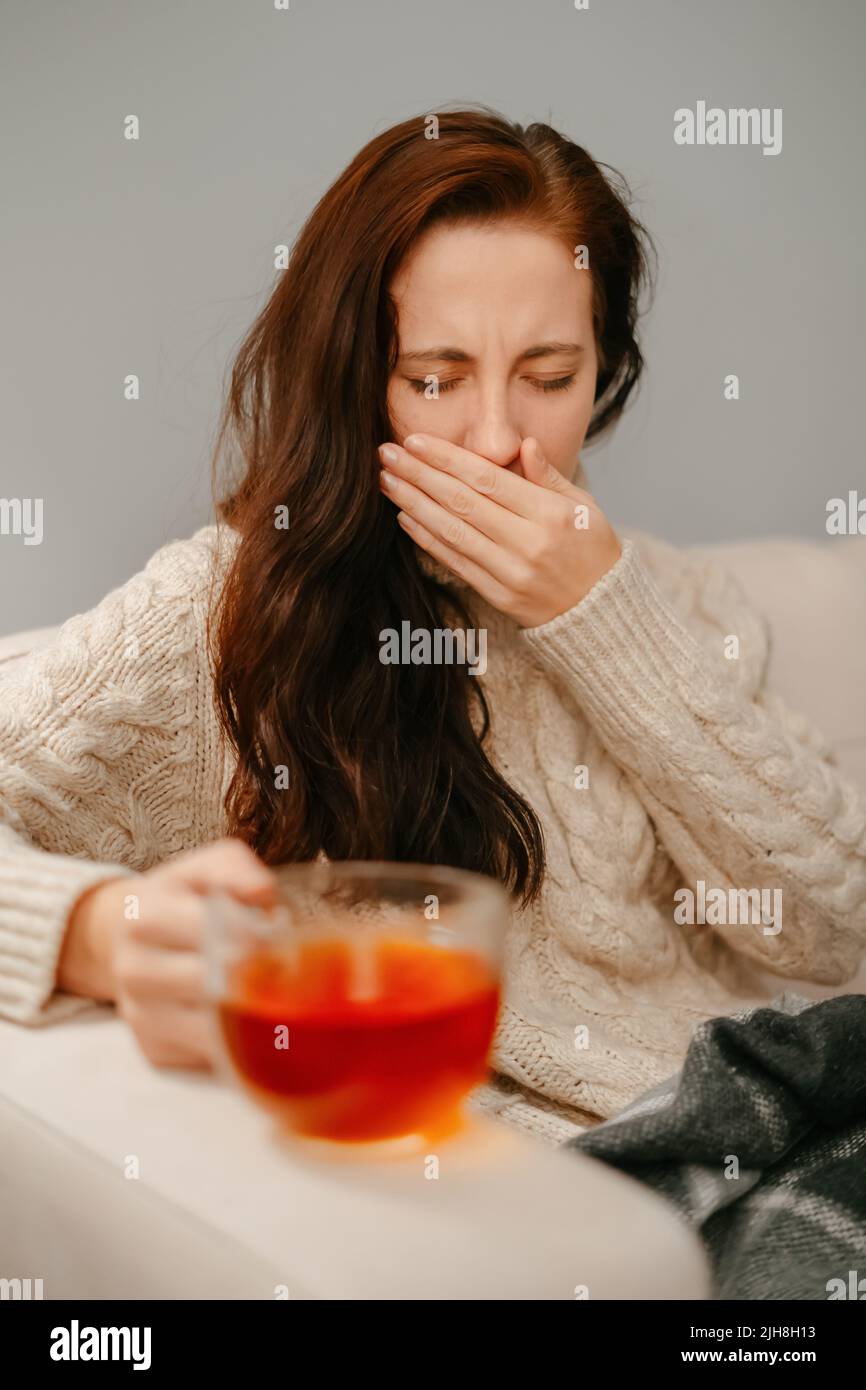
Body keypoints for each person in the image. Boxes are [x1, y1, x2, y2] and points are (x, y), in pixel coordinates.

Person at [1, 107, 864, 1147]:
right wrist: (92, 932)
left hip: (795, 1101)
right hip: (617, 1170)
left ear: (604, 372)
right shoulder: (224, 614)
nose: (497, 441)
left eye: (548, 377)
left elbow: (829, 928)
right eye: (433, 380)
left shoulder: (673, 605)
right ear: (354, 378)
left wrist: (603, 621)